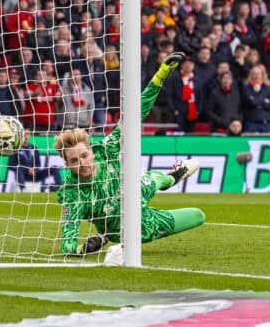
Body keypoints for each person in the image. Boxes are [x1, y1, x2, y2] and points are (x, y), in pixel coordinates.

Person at [54, 52, 206, 255]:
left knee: (146, 180)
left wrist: (161, 74)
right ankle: (170, 177)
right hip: (130, 227)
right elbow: (68, 244)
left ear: (91, 150)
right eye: (74, 160)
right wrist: (85, 248)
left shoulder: (106, 149)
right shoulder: (74, 195)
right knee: (197, 216)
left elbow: (136, 112)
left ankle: (171, 177)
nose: (82, 163)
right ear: (67, 165)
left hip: (137, 189)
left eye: (84, 155)